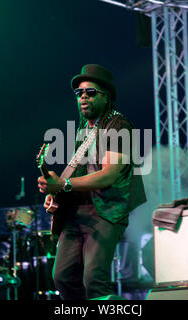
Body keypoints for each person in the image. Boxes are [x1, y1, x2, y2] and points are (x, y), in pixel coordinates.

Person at [37, 64, 146, 300]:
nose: (83, 97)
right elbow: (77, 174)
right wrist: (56, 191)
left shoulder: (118, 125)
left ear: (106, 97)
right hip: (77, 212)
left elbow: (108, 175)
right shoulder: (83, 130)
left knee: (93, 280)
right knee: (63, 277)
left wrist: (64, 185)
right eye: (79, 93)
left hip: (106, 211)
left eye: (90, 92)